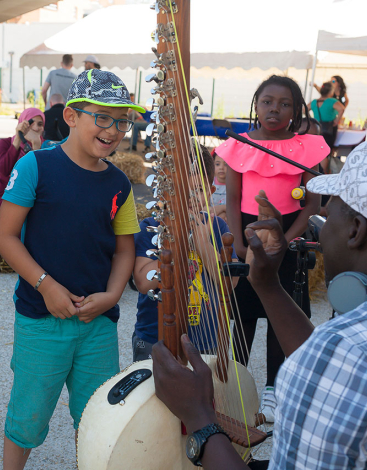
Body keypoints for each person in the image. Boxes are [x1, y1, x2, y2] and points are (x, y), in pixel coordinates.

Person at [152, 138, 367, 469]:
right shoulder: (353, 352)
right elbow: (327, 360)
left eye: (328, 214)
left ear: (356, 230)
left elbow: (336, 362)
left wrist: (199, 417)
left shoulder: (348, 356)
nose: (320, 227)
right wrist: (266, 284)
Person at [0, 69, 142, 470]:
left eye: (122, 121)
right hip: (41, 320)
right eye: (102, 117)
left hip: (98, 323)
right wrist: (45, 285)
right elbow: (4, 236)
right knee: (27, 417)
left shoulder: (119, 183)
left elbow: (124, 250)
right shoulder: (36, 166)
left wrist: (112, 295)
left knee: (98, 418)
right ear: (72, 116)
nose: (113, 130)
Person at [216, 75, 328, 423]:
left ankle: (273, 392)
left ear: (296, 111)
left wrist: (288, 240)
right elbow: (233, 199)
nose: (274, 109)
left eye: (284, 104)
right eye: (267, 102)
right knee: (243, 316)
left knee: (282, 316)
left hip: (290, 238)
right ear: (256, 105)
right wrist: (240, 245)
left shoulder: (307, 147)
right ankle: (236, 387)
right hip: (249, 237)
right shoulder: (238, 145)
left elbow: (312, 204)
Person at [132, 145, 237, 362]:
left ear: (210, 191)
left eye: (198, 190)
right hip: (154, 338)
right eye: (180, 189)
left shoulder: (218, 227)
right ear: (164, 188)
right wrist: (176, 238)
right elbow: (143, 283)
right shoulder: (150, 226)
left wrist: (202, 243)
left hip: (206, 340)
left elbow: (230, 284)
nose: (189, 197)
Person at [0, 108, 45, 214]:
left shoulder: (47, 146)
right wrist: (18, 138)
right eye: (30, 123)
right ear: (22, 124)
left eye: (40, 124)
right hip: (7, 193)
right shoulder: (6, 143)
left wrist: (37, 147)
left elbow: (41, 178)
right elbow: (5, 170)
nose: (35, 128)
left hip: (35, 195)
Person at [309, 81, 345, 150]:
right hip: (329, 128)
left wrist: (311, 119)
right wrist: (336, 121)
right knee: (327, 148)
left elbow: (304, 110)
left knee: (316, 148)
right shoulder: (332, 101)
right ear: (331, 91)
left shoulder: (314, 101)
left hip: (316, 127)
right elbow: (342, 109)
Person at [212, 154, 228, 222]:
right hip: (212, 215)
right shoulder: (210, 183)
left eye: (226, 165)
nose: (221, 168)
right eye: (217, 164)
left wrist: (222, 208)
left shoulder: (235, 185)